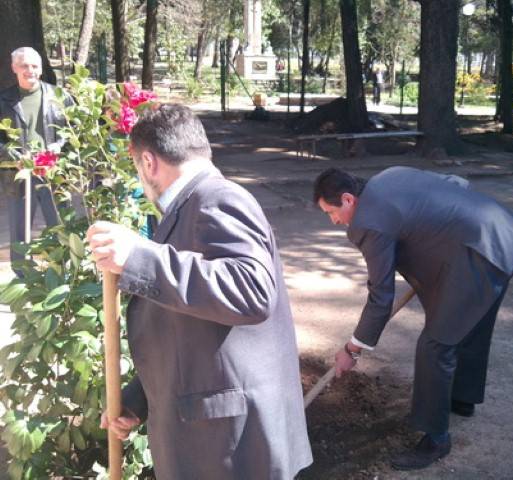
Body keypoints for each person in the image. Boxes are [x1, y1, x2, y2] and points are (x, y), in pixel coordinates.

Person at [87, 104, 312, 479]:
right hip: (216, 438)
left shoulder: (218, 199)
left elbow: (251, 292)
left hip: (232, 447)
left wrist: (139, 258)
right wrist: (139, 399)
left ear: (148, 162)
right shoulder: (191, 206)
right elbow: (194, 325)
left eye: (137, 167)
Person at [313, 166, 513, 471]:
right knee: (472, 324)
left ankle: (436, 440)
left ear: (348, 199)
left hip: (477, 257)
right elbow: (457, 183)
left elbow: (380, 297)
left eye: (331, 212)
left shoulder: (368, 222)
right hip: (503, 233)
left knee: (434, 346)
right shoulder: (390, 176)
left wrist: (353, 349)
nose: (334, 221)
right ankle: (461, 399)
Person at [0, 46, 72, 275]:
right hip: (18, 175)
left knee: (60, 226)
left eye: (34, 66)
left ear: (41, 69)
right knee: (19, 231)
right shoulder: (3, 101)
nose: (29, 70)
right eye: (24, 65)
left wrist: (59, 146)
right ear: (14, 68)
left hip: (53, 173)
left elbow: (75, 131)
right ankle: (23, 278)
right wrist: (14, 156)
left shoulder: (59, 97)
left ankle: (62, 274)